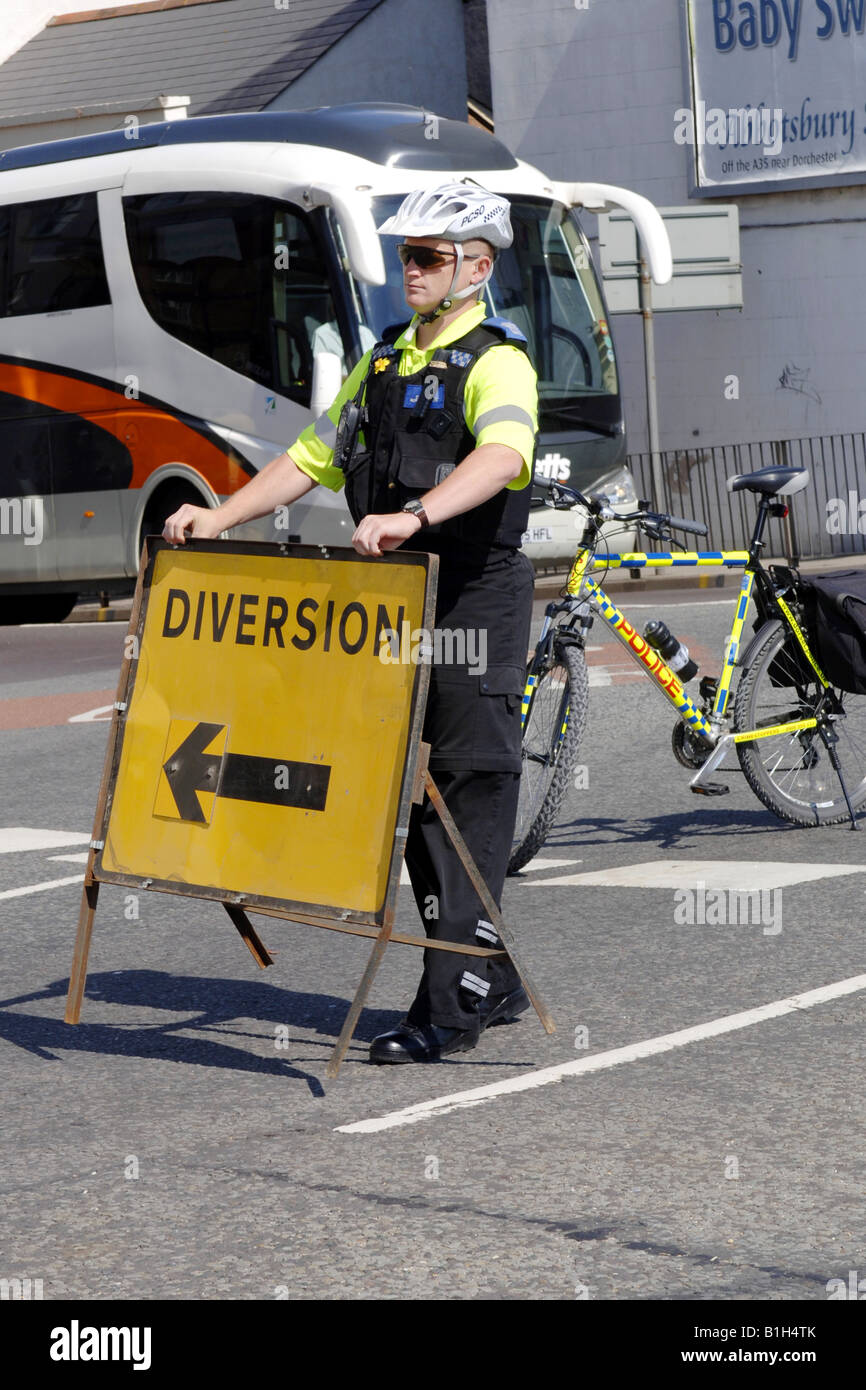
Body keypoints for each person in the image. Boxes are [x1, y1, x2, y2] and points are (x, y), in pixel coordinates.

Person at [162, 181, 538, 1064]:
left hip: (470, 599)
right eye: (405, 255)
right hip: (394, 603)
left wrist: (418, 515)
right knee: (408, 798)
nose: (409, 269)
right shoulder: (388, 359)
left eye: (428, 256)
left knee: (466, 796)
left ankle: (451, 1004)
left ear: (476, 268)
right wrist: (221, 516)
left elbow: (505, 453)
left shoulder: (497, 359)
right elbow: (310, 457)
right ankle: (490, 969)